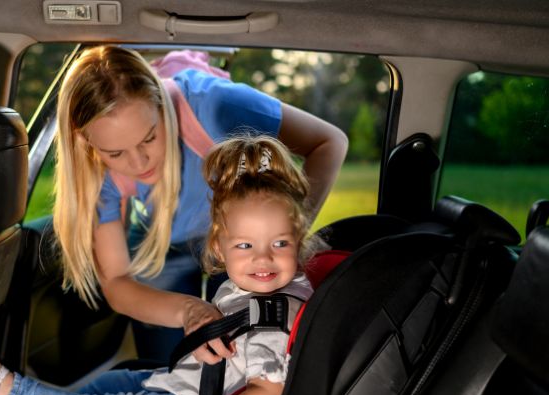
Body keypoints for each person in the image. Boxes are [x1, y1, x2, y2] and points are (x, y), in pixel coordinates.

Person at [0, 135, 321, 395]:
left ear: (299, 239)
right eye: (245, 244)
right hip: (190, 385)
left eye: (280, 243)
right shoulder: (258, 288)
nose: (263, 258)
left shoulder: (274, 314)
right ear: (219, 248)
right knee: (105, 385)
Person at [52, 45, 347, 363]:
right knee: (169, 365)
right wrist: (188, 311)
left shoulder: (215, 103)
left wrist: (288, 232)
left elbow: (329, 142)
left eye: (149, 138)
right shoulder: (93, 168)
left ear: (162, 106)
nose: (138, 163)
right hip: (164, 241)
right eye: (116, 154)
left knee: (247, 358)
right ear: (87, 143)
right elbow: (117, 282)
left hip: (241, 238)